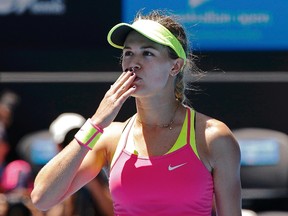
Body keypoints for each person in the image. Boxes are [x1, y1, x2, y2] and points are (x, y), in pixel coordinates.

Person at [31, 10, 242, 215]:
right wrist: (96, 123)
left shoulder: (213, 137)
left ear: (175, 66)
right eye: (128, 53)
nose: (134, 63)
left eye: (147, 53)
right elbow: (42, 198)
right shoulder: (110, 137)